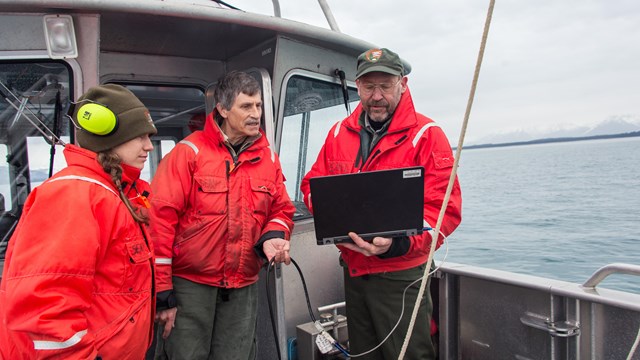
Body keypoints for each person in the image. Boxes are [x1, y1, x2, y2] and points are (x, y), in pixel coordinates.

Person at [300, 48, 462, 359]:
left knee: (409, 354)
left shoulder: (427, 136)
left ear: (402, 83)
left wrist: (399, 244)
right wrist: (330, 212)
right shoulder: (337, 133)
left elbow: (446, 211)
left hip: (400, 276)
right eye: (368, 86)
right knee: (364, 354)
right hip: (354, 272)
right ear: (357, 86)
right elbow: (311, 185)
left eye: (385, 86)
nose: (377, 96)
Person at [0, 84, 158, 359]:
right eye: (140, 136)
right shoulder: (74, 195)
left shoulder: (118, 192)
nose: (148, 146)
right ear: (109, 138)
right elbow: (46, 311)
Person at [150, 70, 295, 359]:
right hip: (191, 285)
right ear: (224, 109)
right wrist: (163, 289)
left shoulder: (269, 158)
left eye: (258, 105)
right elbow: (159, 221)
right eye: (246, 106)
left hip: (242, 285)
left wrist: (273, 235)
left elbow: (281, 209)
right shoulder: (188, 153)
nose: (255, 114)